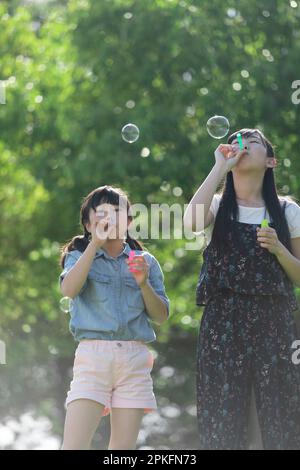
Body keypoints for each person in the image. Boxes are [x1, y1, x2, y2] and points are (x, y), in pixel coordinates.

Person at [183, 128, 300, 449]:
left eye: (254, 141)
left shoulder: (288, 211)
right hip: (222, 324)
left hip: (274, 324)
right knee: (221, 418)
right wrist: (219, 166)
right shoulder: (218, 205)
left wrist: (279, 250)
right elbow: (190, 222)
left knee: (280, 416)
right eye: (238, 140)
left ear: (271, 161)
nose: (243, 143)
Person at [59, 185, 170, 449]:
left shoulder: (146, 261)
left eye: (117, 210)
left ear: (129, 222)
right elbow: (69, 289)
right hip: (93, 357)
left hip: (134, 359)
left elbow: (161, 316)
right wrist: (94, 245)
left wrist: (143, 284)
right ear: (88, 223)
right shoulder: (78, 256)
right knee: (74, 446)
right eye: (101, 211)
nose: (109, 216)